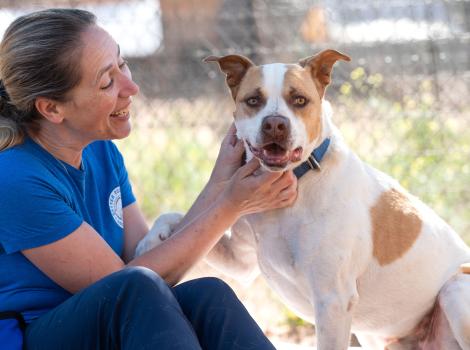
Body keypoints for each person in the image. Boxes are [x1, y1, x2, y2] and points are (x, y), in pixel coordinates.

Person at [0, 8, 297, 350]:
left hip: (109, 318)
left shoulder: (99, 150)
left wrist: (222, 179)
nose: (132, 87)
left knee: (208, 295)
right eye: (106, 82)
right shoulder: (15, 178)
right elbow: (126, 286)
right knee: (136, 288)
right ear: (52, 109)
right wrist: (232, 205)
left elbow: (149, 258)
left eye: (121, 64)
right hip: (31, 338)